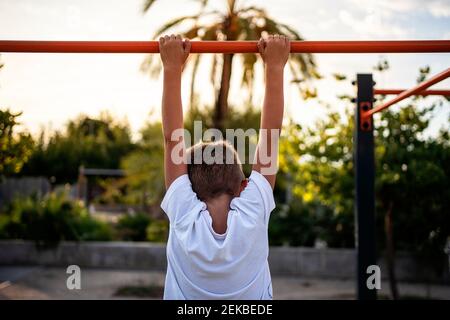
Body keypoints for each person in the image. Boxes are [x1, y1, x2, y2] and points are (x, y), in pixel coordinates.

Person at [159, 34, 290, 299]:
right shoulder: (251, 212)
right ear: (243, 186)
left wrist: (171, 67)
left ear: (189, 188)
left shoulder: (185, 214)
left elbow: (270, 138)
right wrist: (274, 66)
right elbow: (271, 135)